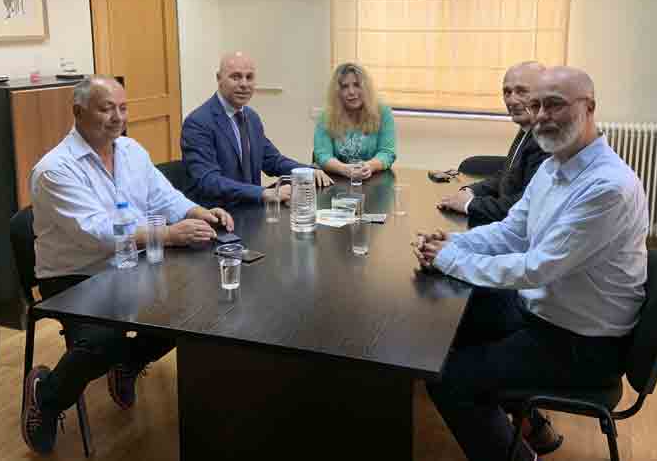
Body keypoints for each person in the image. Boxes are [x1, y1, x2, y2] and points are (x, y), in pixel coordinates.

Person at [413, 66, 649, 461]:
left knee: (448, 377)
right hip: (549, 313)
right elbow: (512, 232)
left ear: (589, 108)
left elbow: (535, 268)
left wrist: (451, 258)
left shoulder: (607, 187)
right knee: (448, 317)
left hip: (583, 344)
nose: (541, 115)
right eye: (536, 105)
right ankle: (531, 429)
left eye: (555, 104)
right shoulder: (556, 165)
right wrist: (453, 242)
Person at [21, 76, 234, 454]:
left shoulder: (131, 150)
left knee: (196, 309)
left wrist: (198, 212)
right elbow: (98, 233)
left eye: (122, 108)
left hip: (131, 262)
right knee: (103, 341)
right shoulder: (55, 169)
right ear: (78, 112)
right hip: (77, 275)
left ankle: (129, 364)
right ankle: (47, 397)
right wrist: (168, 235)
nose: (117, 117)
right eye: (106, 109)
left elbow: (164, 196)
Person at [182, 52, 333, 208]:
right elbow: (209, 181)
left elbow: (272, 160)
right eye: (235, 77)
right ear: (219, 79)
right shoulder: (198, 122)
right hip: (217, 214)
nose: (244, 84)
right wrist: (263, 193)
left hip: (251, 209)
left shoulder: (251, 117)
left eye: (249, 77)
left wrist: (307, 171)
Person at [437, 61, 549, 228]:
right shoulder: (528, 128)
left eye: (521, 91)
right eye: (507, 92)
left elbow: (524, 207)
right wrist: (471, 191)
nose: (512, 100)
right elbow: (508, 175)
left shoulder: (546, 139)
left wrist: (469, 204)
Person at [313, 62, 396, 181]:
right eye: (344, 87)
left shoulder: (383, 112)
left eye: (357, 85)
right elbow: (322, 155)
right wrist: (344, 169)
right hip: (337, 180)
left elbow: (387, 152)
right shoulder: (326, 116)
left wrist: (369, 166)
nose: (351, 92)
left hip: (374, 180)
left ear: (366, 88)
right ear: (337, 92)